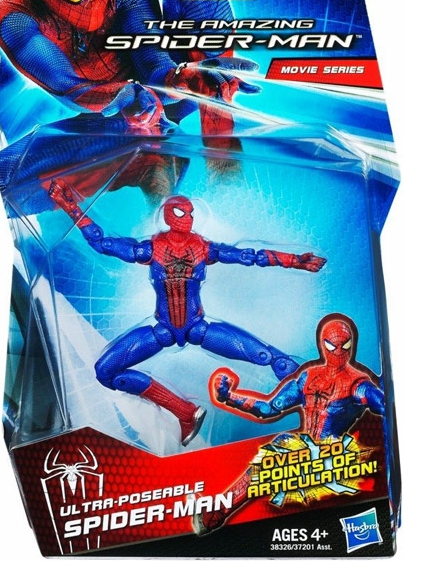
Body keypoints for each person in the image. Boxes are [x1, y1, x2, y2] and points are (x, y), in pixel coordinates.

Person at [0, 0, 259, 206]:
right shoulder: (9, 10)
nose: (93, 6)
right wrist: (122, 95)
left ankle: (225, 169)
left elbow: (153, 62)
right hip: (106, 116)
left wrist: (182, 77)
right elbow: (68, 86)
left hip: (164, 94)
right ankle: (152, 162)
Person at [49, 178, 326, 445]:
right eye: (182, 212)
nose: (188, 218)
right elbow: (102, 243)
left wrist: (294, 260)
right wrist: (68, 204)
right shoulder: (151, 249)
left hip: (198, 329)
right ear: (168, 216)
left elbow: (248, 256)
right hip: (163, 331)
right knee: (106, 372)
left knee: (271, 358)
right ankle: (184, 412)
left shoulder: (203, 249)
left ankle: (317, 397)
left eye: (191, 213)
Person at [194, 313, 385, 533]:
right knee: (277, 450)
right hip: (305, 451)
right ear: (323, 344)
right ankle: (216, 516)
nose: (339, 352)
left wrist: (383, 397)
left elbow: (378, 402)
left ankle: (215, 516)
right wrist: (229, 397)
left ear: (352, 345)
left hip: (333, 458)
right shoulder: (308, 378)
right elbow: (268, 408)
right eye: (333, 346)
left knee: (271, 463)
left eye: (345, 345)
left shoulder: (358, 384)